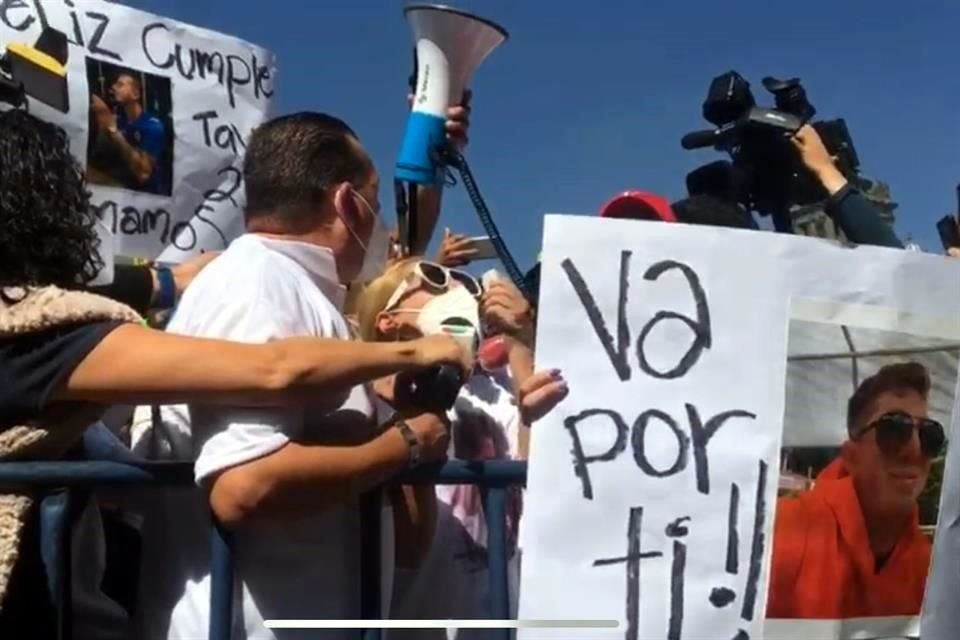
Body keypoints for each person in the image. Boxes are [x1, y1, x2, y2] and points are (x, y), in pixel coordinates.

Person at [0, 102, 470, 640]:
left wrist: (389, 428)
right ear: (346, 201)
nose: (381, 223)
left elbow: (404, 543)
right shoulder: (255, 282)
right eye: (376, 202)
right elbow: (248, 463)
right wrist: (404, 428)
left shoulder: (295, 289)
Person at [353, 258, 568, 639]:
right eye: (436, 280)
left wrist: (520, 342)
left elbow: (540, 486)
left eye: (468, 284)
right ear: (389, 319)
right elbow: (406, 546)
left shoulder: (489, 398)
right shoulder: (364, 402)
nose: (459, 291)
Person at [767, 362, 943, 619]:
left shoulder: (929, 568)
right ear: (851, 455)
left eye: (929, 435)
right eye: (894, 430)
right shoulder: (784, 530)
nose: (914, 450)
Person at [88, 72, 166, 194]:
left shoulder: (153, 126)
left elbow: (143, 174)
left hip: (143, 195)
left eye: (120, 85)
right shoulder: (119, 120)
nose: (113, 87)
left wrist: (113, 130)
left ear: (135, 94)